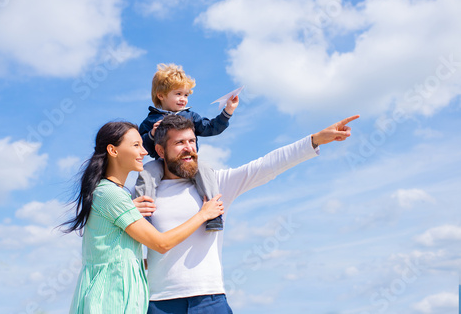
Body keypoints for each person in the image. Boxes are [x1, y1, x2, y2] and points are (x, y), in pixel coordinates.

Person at [134, 114, 360, 313]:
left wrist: (315, 140)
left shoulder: (215, 185)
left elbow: (265, 166)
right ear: (160, 150)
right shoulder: (145, 194)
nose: (189, 148)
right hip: (160, 302)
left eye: (192, 141)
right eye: (180, 142)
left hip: (209, 299)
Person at [61, 121, 224, 314]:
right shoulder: (111, 195)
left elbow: (121, 256)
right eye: (136, 145)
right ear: (113, 150)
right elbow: (161, 244)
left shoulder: (116, 195)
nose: (145, 152)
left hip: (119, 298)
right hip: (110, 300)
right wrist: (203, 214)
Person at [138, 63, 239, 231]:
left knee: (205, 169)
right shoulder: (150, 121)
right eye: (178, 94)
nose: (183, 98)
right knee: (147, 172)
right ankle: (144, 216)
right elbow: (141, 147)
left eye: (186, 94)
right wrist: (151, 136)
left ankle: (214, 215)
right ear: (161, 95)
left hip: (188, 162)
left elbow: (210, 128)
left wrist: (227, 111)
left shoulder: (190, 116)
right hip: (162, 163)